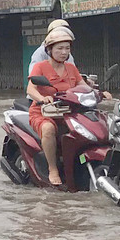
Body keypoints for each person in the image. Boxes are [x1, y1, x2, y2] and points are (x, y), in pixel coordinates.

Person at [27, 28, 84, 188]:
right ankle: (52, 169)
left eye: (67, 48)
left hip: (68, 112)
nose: (64, 52)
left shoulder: (71, 68)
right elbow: (30, 89)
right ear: (49, 50)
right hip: (44, 112)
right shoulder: (40, 66)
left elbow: (82, 86)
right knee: (48, 129)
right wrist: (42, 98)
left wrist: (98, 93)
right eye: (59, 48)